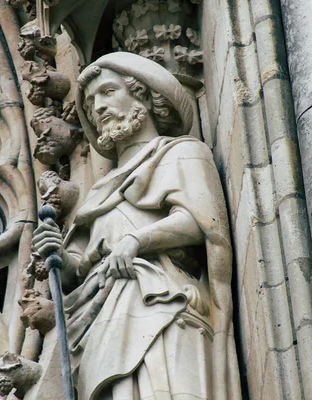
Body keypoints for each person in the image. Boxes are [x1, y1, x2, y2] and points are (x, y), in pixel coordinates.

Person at [32, 52, 240, 400]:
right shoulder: (98, 192)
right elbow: (77, 271)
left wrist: (136, 240)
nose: (98, 107)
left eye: (108, 92)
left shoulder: (182, 153)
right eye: (92, 101)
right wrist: (59, 254)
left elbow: (203, 224)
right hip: (102, 324)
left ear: (145, 96)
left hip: (162, 303)